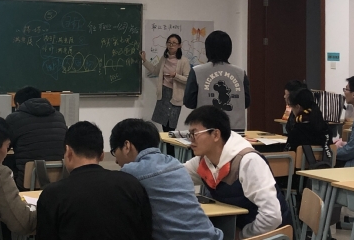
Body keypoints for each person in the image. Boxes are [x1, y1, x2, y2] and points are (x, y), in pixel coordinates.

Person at [184, 106, 291, 239]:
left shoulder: (248, 161)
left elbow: (272, 216)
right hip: (232, 229)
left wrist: (242, 235)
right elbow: (176, 176)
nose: (191, 139)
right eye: (189, 134)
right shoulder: (204, 160)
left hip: (267, 235)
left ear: (216, 135)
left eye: (195, 134)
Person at [110, 118, 223, 240]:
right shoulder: (175, 163)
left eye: (114, 151)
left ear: (127, 146)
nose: (116, 160)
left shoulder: (131, 171)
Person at [36, 121, 153, 240]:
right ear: (102, 155)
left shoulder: (53, 195)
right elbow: (146, 232)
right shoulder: (131, 184)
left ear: (68, 152)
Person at [183, 31, 250, 131]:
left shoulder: (197, 71)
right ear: (229, 49)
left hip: (206, 129)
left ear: (207, 49)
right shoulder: (240, 73)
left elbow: (189, 102)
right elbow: (246, 102)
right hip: (235, 129)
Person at [5, 86, 67, 189]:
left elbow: (3, 147)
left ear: (18, 104)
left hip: (28, 182)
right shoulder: (59, 117)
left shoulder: (14, 118)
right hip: (59, 181)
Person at [140, 34, 191, 142]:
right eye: (169, 43)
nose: (171, 45)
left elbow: (188, 79)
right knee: (164, 126)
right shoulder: (164, 58)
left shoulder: (184, 61)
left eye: (174, 43)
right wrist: (144, 61)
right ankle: (166, 150)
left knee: (171, 127)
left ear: (179, 45)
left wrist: (176, 76)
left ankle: (171, 150)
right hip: (164, 94)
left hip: (175, 96)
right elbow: (155, 71)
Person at [284, 88, 332, 157]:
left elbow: (288, 155)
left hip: (302, 164)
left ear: (298, 107)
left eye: (291, 106)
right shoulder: (326, 129)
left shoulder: (297, 131)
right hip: (324, 163)